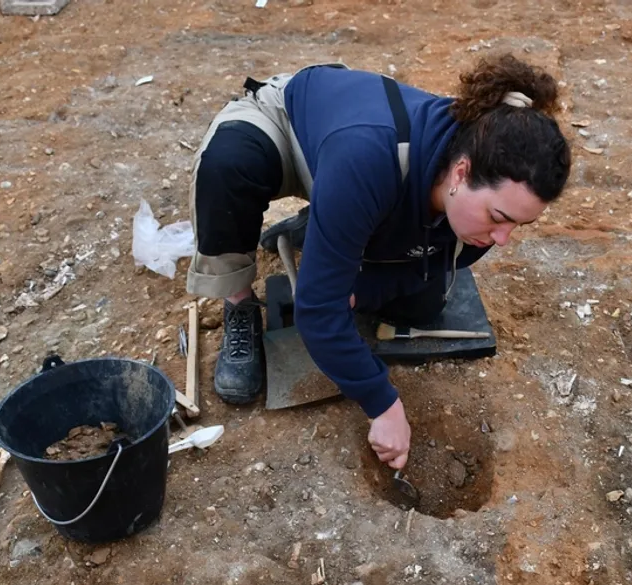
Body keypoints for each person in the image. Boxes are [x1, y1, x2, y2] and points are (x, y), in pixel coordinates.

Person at [184, 52, 572, 469]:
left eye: (519, 225)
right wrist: (382, 403)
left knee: (419, 305)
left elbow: (428, 268)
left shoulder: (487, 198)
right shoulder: (370, 159)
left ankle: (323, 229)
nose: (503, 238)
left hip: (356, 175)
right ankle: (239, 302)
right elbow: (316, 314)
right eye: (499, 218)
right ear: (460, 174)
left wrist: (361, 289)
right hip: (293, 125)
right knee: (228, 167)